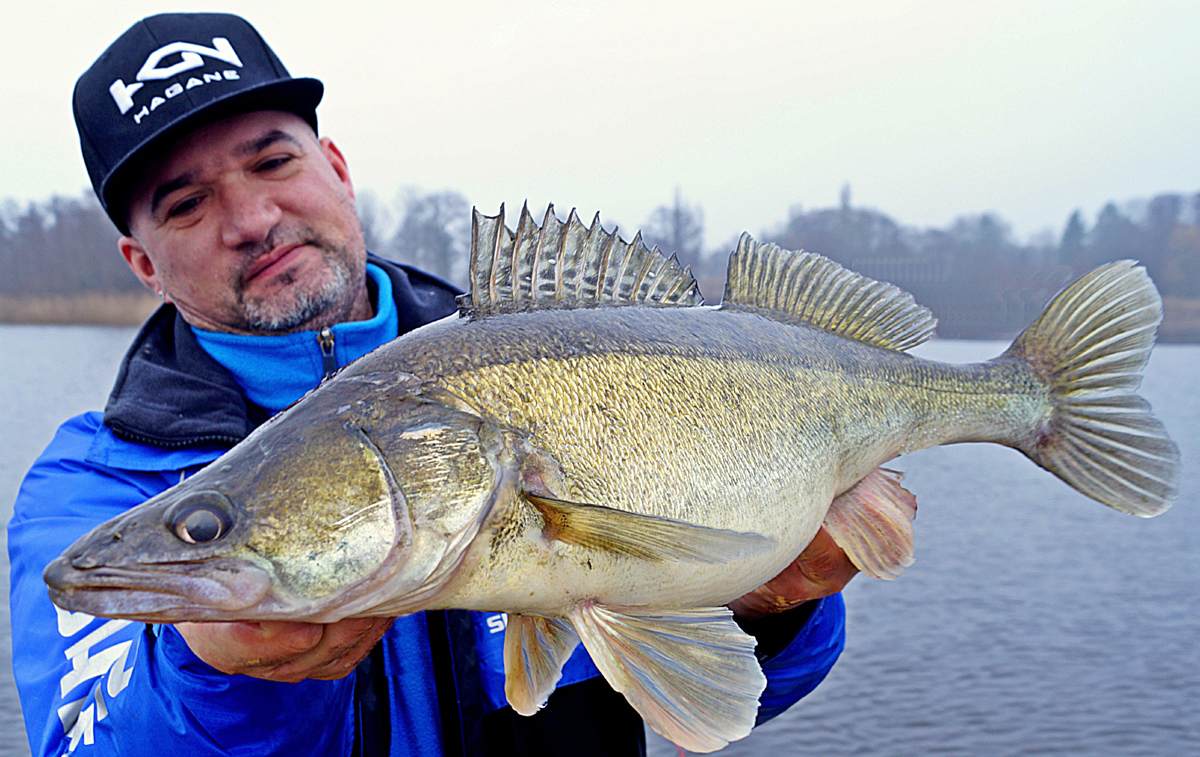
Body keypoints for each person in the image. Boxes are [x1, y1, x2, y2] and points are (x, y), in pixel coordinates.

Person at [8, 13, 856, 756]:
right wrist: (214, 668)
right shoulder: (92, 483)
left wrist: (774, 602)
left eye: (271, 160)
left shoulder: (564, 362)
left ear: (337, 166)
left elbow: (742, 693)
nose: (252, 221)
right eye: (186, 203)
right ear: (142, 263)